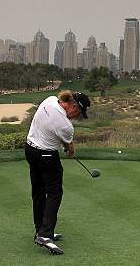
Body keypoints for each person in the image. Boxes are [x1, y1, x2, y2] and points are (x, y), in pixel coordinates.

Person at [26, 90, 90, 255]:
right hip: (47, 156)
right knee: (54, 193)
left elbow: (51, 128)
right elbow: (69, 147)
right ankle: (45, 235)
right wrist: (70, 151)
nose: (77, 116)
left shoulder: (49, 100)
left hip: (30, 151)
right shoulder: (66, 126)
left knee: (38, 192)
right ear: (74, 106)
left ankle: (40, 229)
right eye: (79, 113)